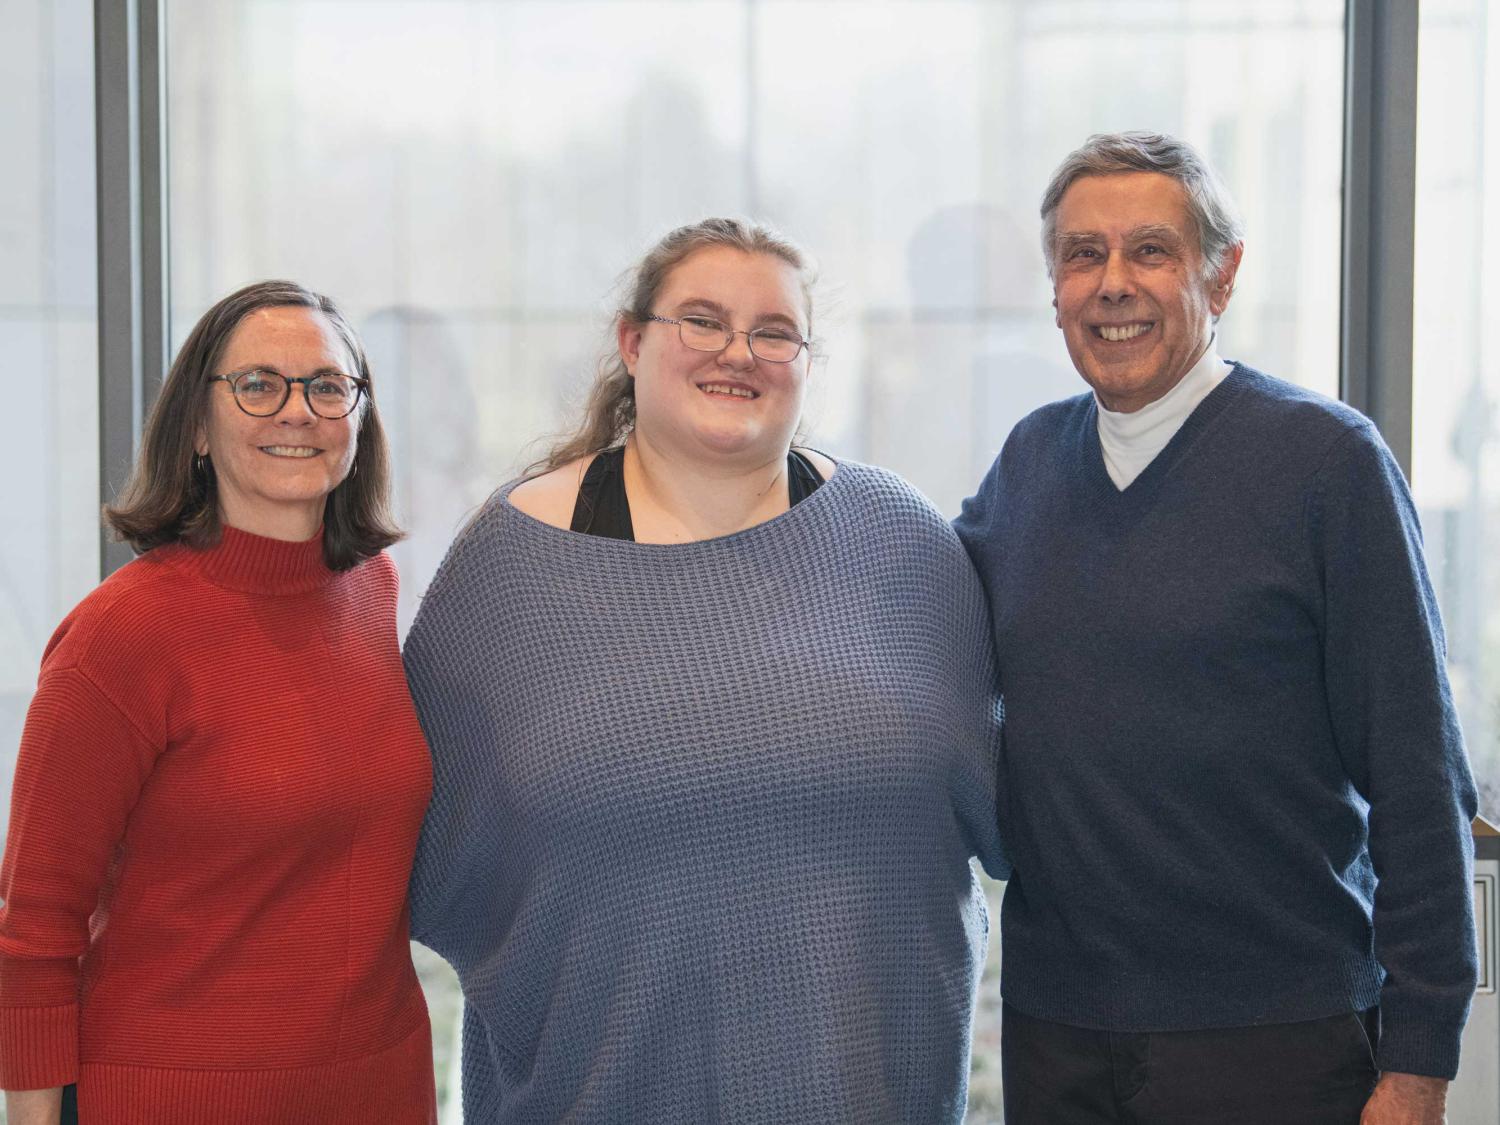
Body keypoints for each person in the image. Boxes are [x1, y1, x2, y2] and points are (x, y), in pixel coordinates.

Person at [404, 217, 1008, 1123]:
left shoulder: (900, 541)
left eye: (774, 331)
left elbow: (1015, 810)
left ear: (808, 362)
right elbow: (420, 858)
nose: (739, 353)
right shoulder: (509, 565)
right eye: (702, 320)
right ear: (632, 341)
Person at [955, 131, 1478, 1125]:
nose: (1113, 282)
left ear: (1222, 274)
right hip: (1057, 1032)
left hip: (1278, 1037)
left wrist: (1420, 1061)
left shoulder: (1328, 464)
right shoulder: (1027, 466)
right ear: (1055, 288)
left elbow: (1418, 773)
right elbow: (908, 623)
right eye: (1082, 254)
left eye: (1150, 250)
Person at [0, 281, 436, 1125]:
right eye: (258, 384)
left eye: (327, 385)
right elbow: (35, 931)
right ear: (197, 427)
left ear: (359, 418)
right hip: (171, 1097)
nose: (297, 411)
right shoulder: (120, 636)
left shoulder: (373, 591)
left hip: (379, 1091)